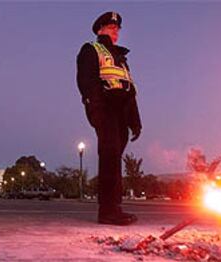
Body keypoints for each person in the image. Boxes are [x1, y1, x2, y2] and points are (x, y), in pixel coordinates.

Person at [76, 11, 142, 225]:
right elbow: (87, 83)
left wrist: (135, 121)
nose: (116, 31)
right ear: (100, 29)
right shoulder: (91, 49)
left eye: (118, 28)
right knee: (109, 155)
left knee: (115, 160)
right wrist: (96, 110)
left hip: (122, 112)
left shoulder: (121, 59)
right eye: (111, 27)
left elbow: (129, 90)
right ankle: (107, 211)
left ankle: (115, 207)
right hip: (105, 109)